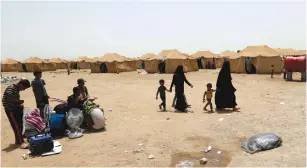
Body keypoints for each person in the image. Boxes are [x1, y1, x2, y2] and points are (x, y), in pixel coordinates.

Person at [2, 80, 31, 148]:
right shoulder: (11, 88)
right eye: (24, 88)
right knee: (16, 126)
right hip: (10, 110)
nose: (23, 90)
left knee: (20, 124)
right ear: (21, 84)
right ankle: (20, 142)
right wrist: (18, 101)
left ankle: (20, 138)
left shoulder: (16, 89)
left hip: (16, 109)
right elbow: (8, 99)